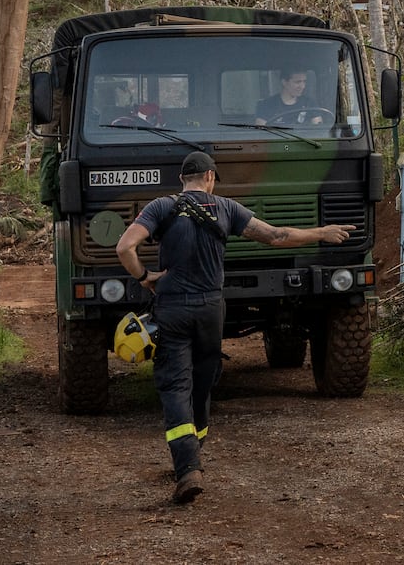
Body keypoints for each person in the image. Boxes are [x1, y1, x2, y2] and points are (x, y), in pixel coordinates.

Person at [116, 151, 355, 504]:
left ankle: (188, 469)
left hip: (173, 309)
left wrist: (144, 277)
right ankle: (195, 450)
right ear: (210, 178)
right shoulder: (226, 209)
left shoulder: (161, 207)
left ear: (183, 180)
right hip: (212, 310)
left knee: (175, 385)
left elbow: (125, 246)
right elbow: (276, 236)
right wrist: (322, 231)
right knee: (204, 379)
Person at [255, 68, 325, 126]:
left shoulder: (310, 103)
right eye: (297, 82)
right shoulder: (267, 105)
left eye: (304, 82)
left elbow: (318, 129)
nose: (302, 86)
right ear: (284, 82)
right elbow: (261, 132)